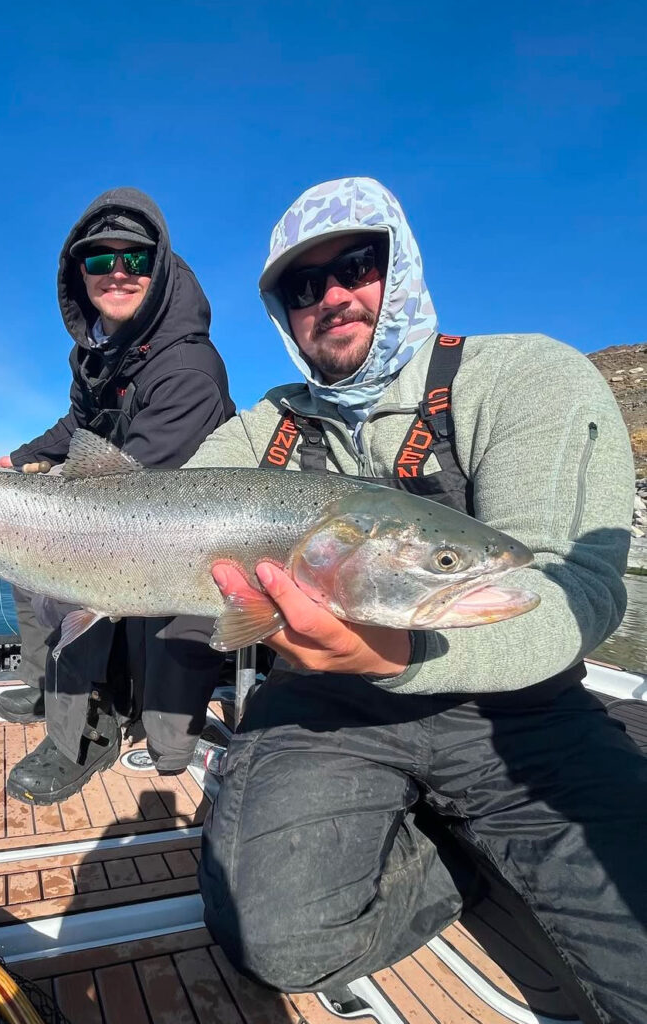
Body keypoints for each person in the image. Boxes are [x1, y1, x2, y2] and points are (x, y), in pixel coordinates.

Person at [186, 177, 645, 1023]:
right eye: (302, 286)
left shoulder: (524, 376)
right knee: (276, 943)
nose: (332, 296)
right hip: (325, 706)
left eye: (357, 265)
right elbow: (150, 511)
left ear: (400, 269)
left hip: (518, 711)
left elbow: (575, 589)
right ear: (283, 313)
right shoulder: (264, 433)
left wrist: (398, 655)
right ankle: (460, 854)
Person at [0, 187, 235, 804]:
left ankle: (84, 740)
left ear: (160, 267)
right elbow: (72, 433)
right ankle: (45, 686)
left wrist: (26, 504)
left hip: (176, 538)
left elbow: (127, 503)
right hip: (116, 506)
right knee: (25, 562)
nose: (117, 273)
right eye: (99, 260)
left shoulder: (188, 370)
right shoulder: (97, 355)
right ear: (77, 272)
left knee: (64, 572)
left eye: (135, 259)